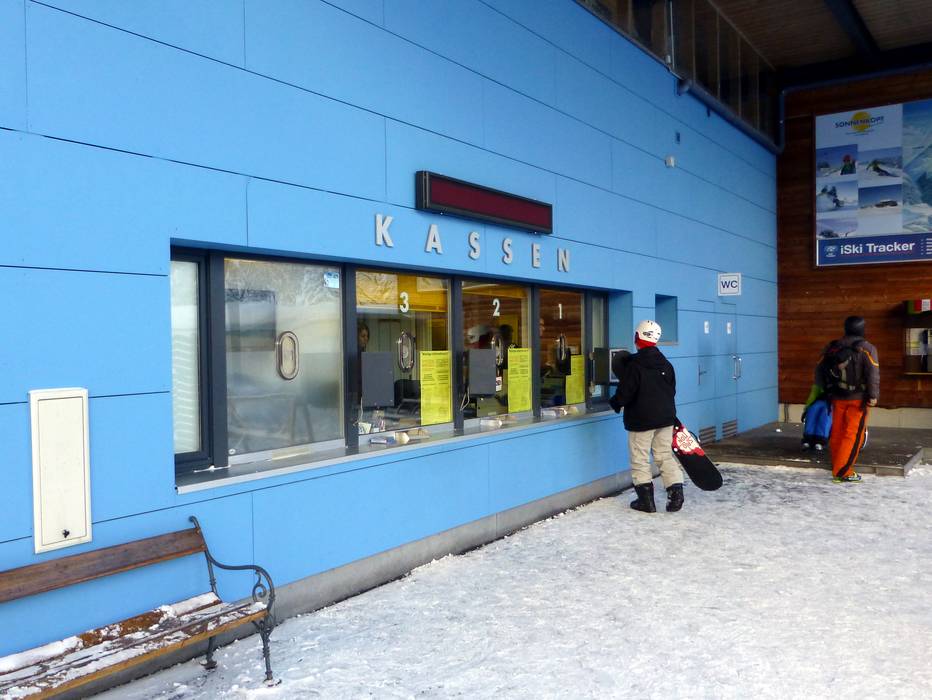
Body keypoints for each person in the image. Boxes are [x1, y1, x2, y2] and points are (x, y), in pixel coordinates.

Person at [609, 320, 683, 513]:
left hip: (641, 421)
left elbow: (625, 393)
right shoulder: (666, 364)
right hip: (666, 418)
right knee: (664, 455)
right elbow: (672, 390)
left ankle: (646, 502)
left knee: (640, 459)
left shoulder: (635, 366)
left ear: (637, 337)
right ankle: (676, 494)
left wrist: (615, 403)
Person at [816, 315, 879, 483]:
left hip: (837, 396)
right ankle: (843, 471)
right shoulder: (867, 348)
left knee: (837, 431)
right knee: (853, 434)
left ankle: (837, 464)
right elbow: (873, 374)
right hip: (858, 399)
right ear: (862, 329)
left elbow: (819, 369)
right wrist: (873, 396)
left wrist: (825, 391)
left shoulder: (833, 346)